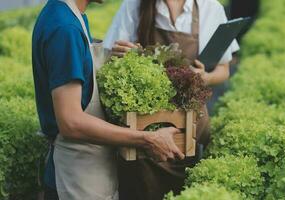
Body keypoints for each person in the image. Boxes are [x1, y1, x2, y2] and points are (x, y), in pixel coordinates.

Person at [32, 0, 185, 199]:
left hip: (89, 169)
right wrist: (147, 139)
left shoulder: (69, 15)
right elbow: (71, 122)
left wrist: (111, 58)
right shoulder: (65, 28)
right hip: (74, 176)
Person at [103, 0, 239, 199]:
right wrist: (119, 55)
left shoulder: (211, 8)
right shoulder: (134, 5)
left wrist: (205, 77)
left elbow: (223, 70)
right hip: (144, 129)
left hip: (189, 129)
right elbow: (109, 60)